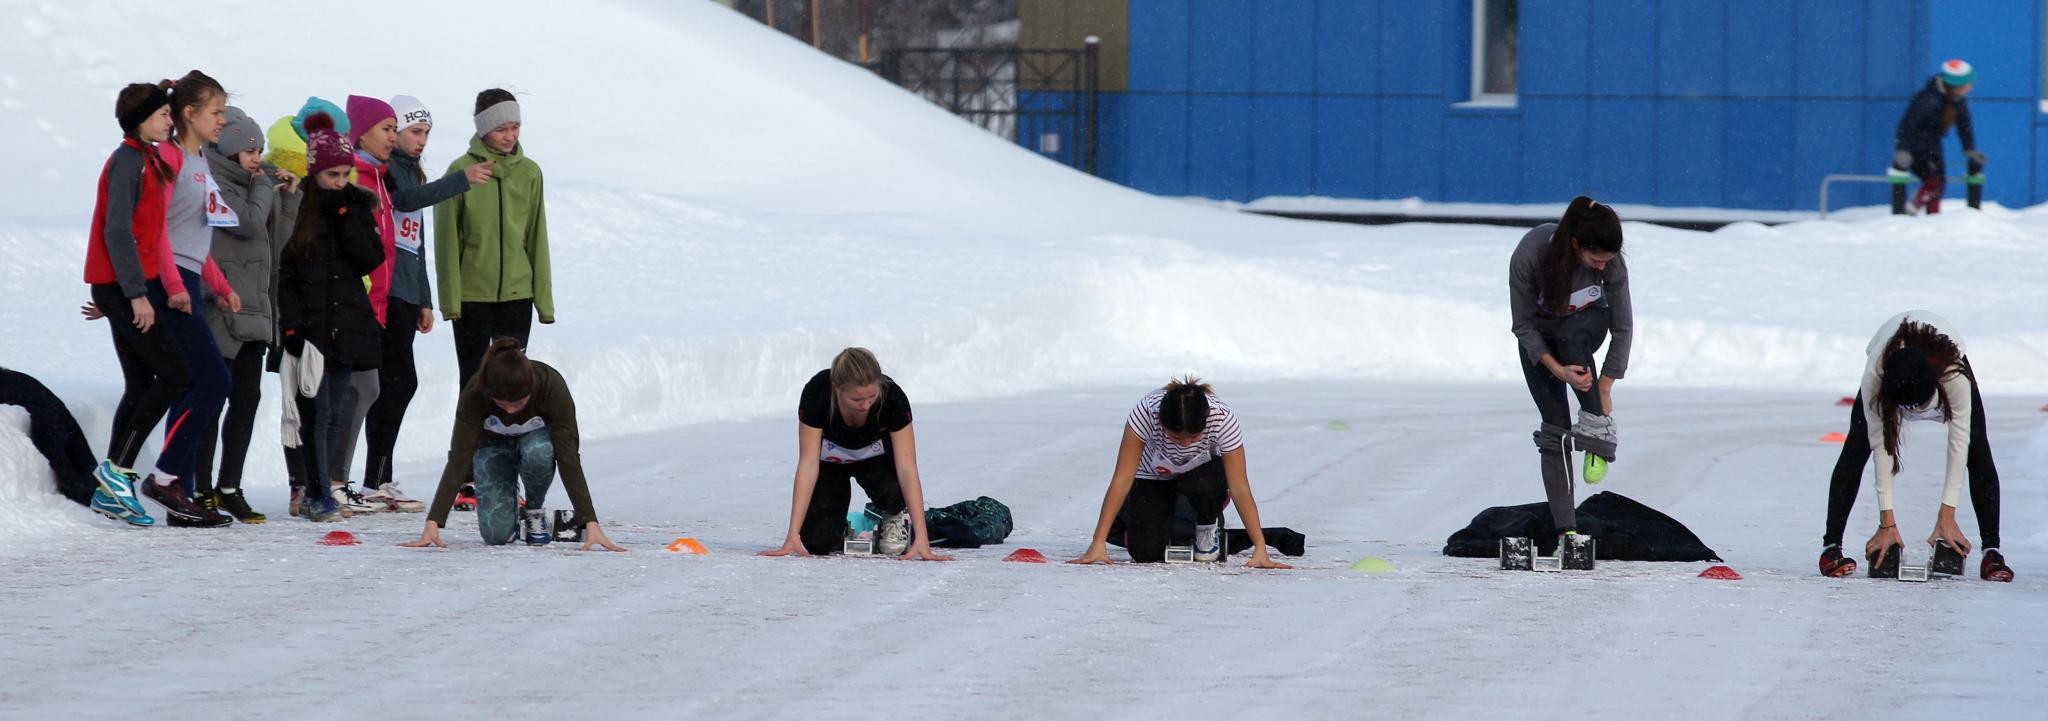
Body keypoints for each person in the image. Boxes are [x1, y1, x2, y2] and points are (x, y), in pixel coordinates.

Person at [359, 95, 492, 511]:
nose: (422, 141)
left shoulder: (410, 172)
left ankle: (378, 477)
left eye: (426, 134)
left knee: (396, 384)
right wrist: (460, 181)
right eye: (415, 132)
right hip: (383, 291)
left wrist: (424, 298)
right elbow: (404, 204)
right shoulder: (386, 173)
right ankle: (373, 477)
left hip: (404, 293)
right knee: (393, 383)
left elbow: (413, 241)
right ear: (393, 131)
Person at [1820, 311, 2013, 582]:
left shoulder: (1954, 377)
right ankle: (1831, 547)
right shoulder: (1875, 378)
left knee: (1977, 448)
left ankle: (1992, 551)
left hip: (1941, 368)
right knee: (1856, 447)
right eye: (1904, 410)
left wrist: (1948, 514)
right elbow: (1882, 447)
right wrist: (1886, 523)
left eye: (1918, 408)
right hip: (1889, 366)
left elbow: (1960, 445)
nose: (1912, 414)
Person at [436, 88, 552, 511]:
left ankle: (506, 471)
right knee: (473, 382)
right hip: (472, 295)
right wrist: (451, 299)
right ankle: (468, 475)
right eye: (501, 127)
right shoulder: (459, 171)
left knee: (512, 387)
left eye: (515, 126)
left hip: (517, 295)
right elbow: (448, 240)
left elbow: (536, 236)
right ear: (484, 129)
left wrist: (544, 299)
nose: (509, 135)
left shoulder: (531, 173)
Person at [82, 81, 190, 527]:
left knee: (142, 380)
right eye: (164, 114)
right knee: (175, 374)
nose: (171, 120)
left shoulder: (146, 158)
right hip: (125, 287)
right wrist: (133, 295)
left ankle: (112, 489)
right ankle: (116, 469)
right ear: (142, 119)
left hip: (121, 286)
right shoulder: (127, 160)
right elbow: (116, 231)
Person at [139, 70, 242, 528]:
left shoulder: (201, 162)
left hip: (189, 278)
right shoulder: (169, 156)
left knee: (198, 383)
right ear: (188, 113)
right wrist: (175, 287)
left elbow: (195, 236)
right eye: (216, 112)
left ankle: (175, 489)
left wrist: (219, 284)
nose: (223, 120)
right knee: (213, 382)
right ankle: (164, 478)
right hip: (170, 283)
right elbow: (156, 228)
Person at [401, 338, 622, 550]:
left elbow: (568, 456)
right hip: (492, 446)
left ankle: (533, 510)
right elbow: (459, 457)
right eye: (502, 404)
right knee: (496, 537)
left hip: (535, 443)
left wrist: (589, 522)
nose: (510, 411)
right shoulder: (474, 394)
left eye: (517, 404)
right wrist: (433, 522)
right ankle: (508, 498)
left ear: (531, 389)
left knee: (538, 452)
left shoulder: (551, 386)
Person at [192, 105, 300, 524]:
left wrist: (288, 196)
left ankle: (230, 486)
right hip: (221, 306)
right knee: (213, 401)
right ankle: (200, 486)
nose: (259, 158)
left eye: (260, 151)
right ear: (231, 149)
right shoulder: (215, 182)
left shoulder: (256, 185)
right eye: (251, 151)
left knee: (247, 400)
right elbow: (249, 223)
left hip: (254, 306)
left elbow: (276, 240)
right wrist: (264, 187)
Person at [275, 111, 384, 523]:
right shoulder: (301, 209)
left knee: (338, 410)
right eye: (333, 175)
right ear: (316, 173)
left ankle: (327, 488)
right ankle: (316, 492)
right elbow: (287, 273)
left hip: (347, 326)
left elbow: (369, 258)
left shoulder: (354, 206)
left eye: (345, 174)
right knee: (316, 414)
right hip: (312, 328)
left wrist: (346, 216)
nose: (340, 182)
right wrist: (291, 327)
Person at [1506, 195, 1629, 547]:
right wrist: (1557, 370)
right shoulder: (1531, 253)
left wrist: (1605, 386)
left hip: (1587, 326)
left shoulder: (1611, 261)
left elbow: (1623, 327)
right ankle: (1567, 530)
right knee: (1554, 429)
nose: (1602, 268)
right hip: (1539, 340)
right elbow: (1523, 326)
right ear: (1575, 245)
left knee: (1571, 333)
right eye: (1595, 260)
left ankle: (1596, 428)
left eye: (1608, 261)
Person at [1068, 376, 1290, 569]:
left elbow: (1240, 486)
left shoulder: (1222, 418)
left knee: (1207, 483)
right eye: (1176, 438)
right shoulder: (1146, 411)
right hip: (1154, 478)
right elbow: (1122, 478)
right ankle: (1180, 529)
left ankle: (1206, 527)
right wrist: (1098, 543)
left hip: (1202, 479)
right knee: (1146, 553)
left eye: (1193, 438)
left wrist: (1261, 548)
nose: (1185, 445)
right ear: (1161, 423)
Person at [760, 348, 951, 561]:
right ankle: (841, 525)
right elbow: (807, 464)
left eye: (871, 396)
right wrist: (792, 535)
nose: (866, 405)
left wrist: (922, 539)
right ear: (836, 389)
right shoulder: (817, 393)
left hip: (876, 463)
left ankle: (894, 516)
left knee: (893, 501)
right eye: (856, 399)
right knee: (818, 543)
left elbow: (907, 469)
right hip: (831, 464)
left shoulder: (892, 397)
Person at [1892, 59, 1981, 215]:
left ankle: (1933, 219)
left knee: (1939, 186)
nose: (1970, 88)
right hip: (1916, 148)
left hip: (1933, 146)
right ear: (1956, 85)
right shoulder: (1929, 100)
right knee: (1934, 183)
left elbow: (1964, 127)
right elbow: (1908, 125)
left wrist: (1969, 149)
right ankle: (1911, 209)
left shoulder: (1957, 100)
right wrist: (1902, 150)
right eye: (1968, 84)